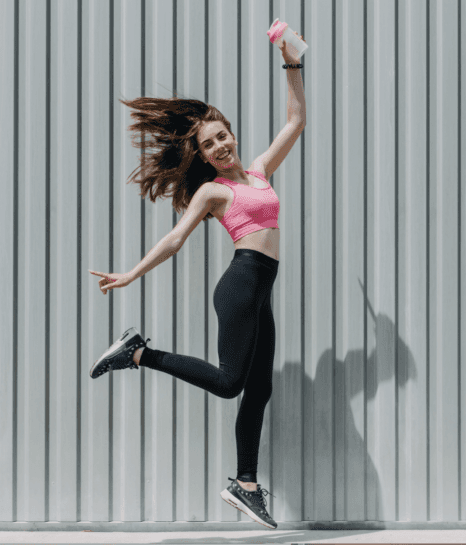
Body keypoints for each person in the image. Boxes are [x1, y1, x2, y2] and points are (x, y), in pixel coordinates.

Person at [87, 32, 307, 530]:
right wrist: (132, 273)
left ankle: (246, 486)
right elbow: (174, 240)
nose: (220, 145)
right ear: (205, 156)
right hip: (240, 287)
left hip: (260, 291)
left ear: (232, 133)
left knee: (260, 390)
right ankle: (138, 352)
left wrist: (290, 65)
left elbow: (296, 120)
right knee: (231, 384)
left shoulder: (259, 171)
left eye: (222, 135)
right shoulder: (214, 189)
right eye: (210, 144)